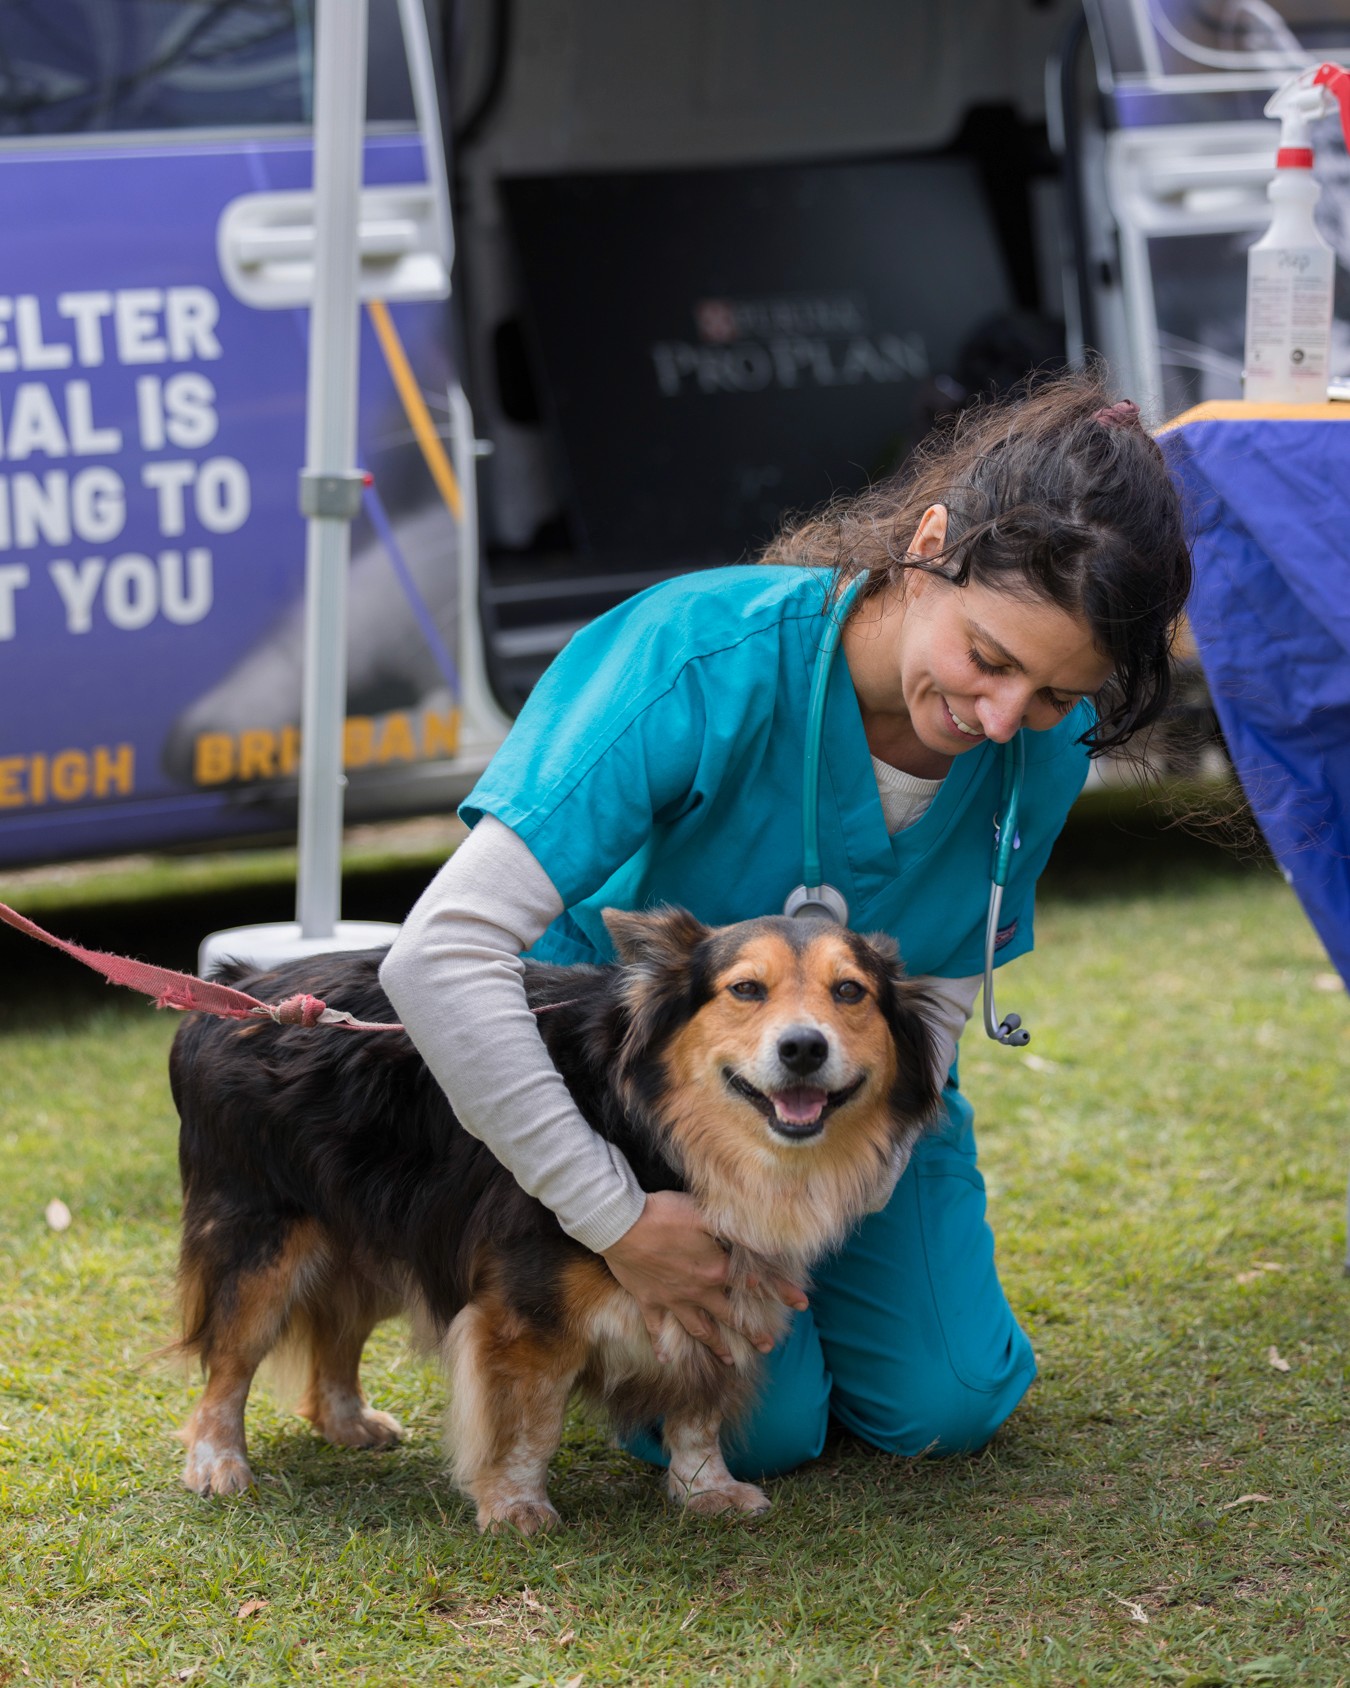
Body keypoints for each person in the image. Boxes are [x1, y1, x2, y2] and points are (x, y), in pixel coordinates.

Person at [379, 371, 1192, 1477]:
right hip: (635, 1114)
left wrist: (829, 1194)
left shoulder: (1037, 755)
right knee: (764, 1428)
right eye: (990, 659)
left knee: (947, 1399)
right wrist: (615, 1217)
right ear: (929, 543)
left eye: (1055, 695)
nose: (1003, 719)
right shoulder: (695, 654)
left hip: (846, 1121)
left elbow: (940, 1003)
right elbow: (437, 956)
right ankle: (572, 1308)